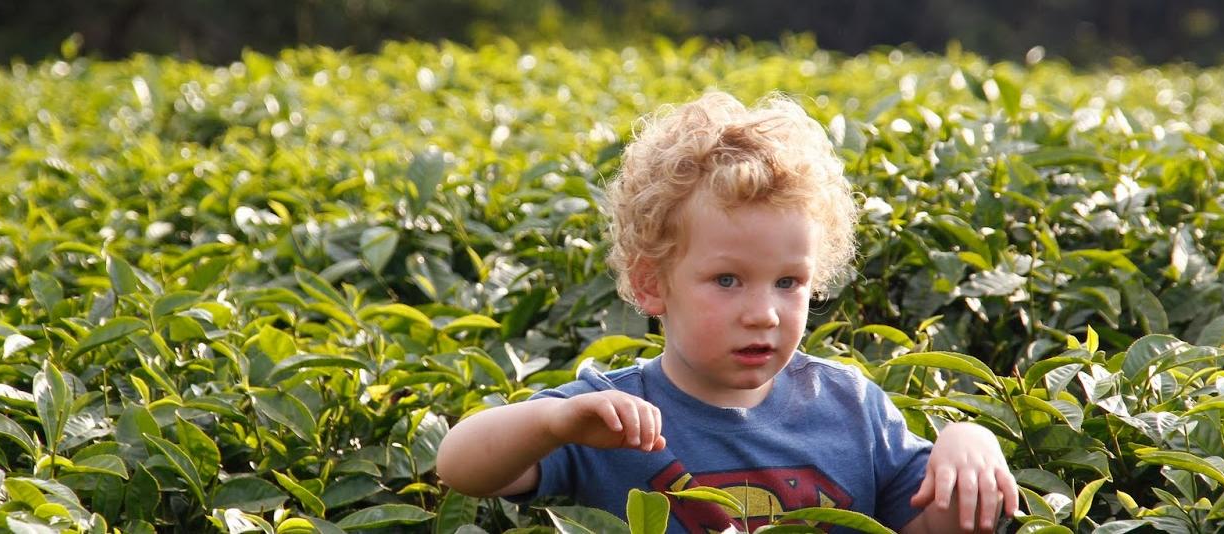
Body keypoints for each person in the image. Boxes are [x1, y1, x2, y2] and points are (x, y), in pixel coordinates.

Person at [435, 92, 1018, 533]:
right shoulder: (609, 417)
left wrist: (967, 444)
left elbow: (934, 524)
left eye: (788, 282)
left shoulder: (854, 411)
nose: (763, 313)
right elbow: (461, 466)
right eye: (727, 280)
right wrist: (552, 422)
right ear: (650, 284)